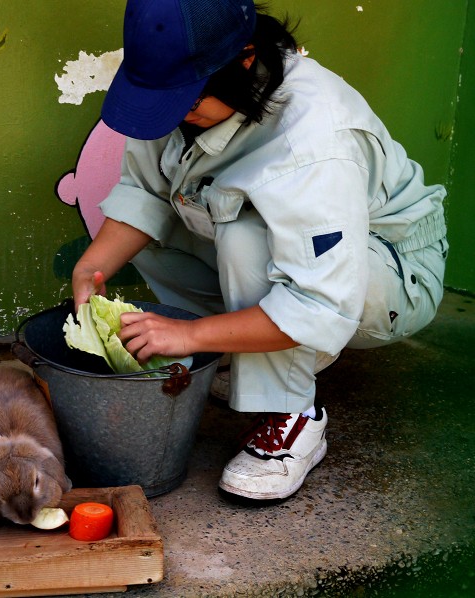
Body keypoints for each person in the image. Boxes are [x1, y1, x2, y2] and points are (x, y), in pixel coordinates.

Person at [71, 0, 448, 501]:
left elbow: (319, 302)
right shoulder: (179, 87)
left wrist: (190, 335)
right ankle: (250, 358)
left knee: (246, 236)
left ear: (246, 60)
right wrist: (90, 268)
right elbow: (147, 194)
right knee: (151, 240)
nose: (176, 116)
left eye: (188, 103)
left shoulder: (315, 138)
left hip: (391, 271)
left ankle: (294, 416)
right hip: (296, 259)